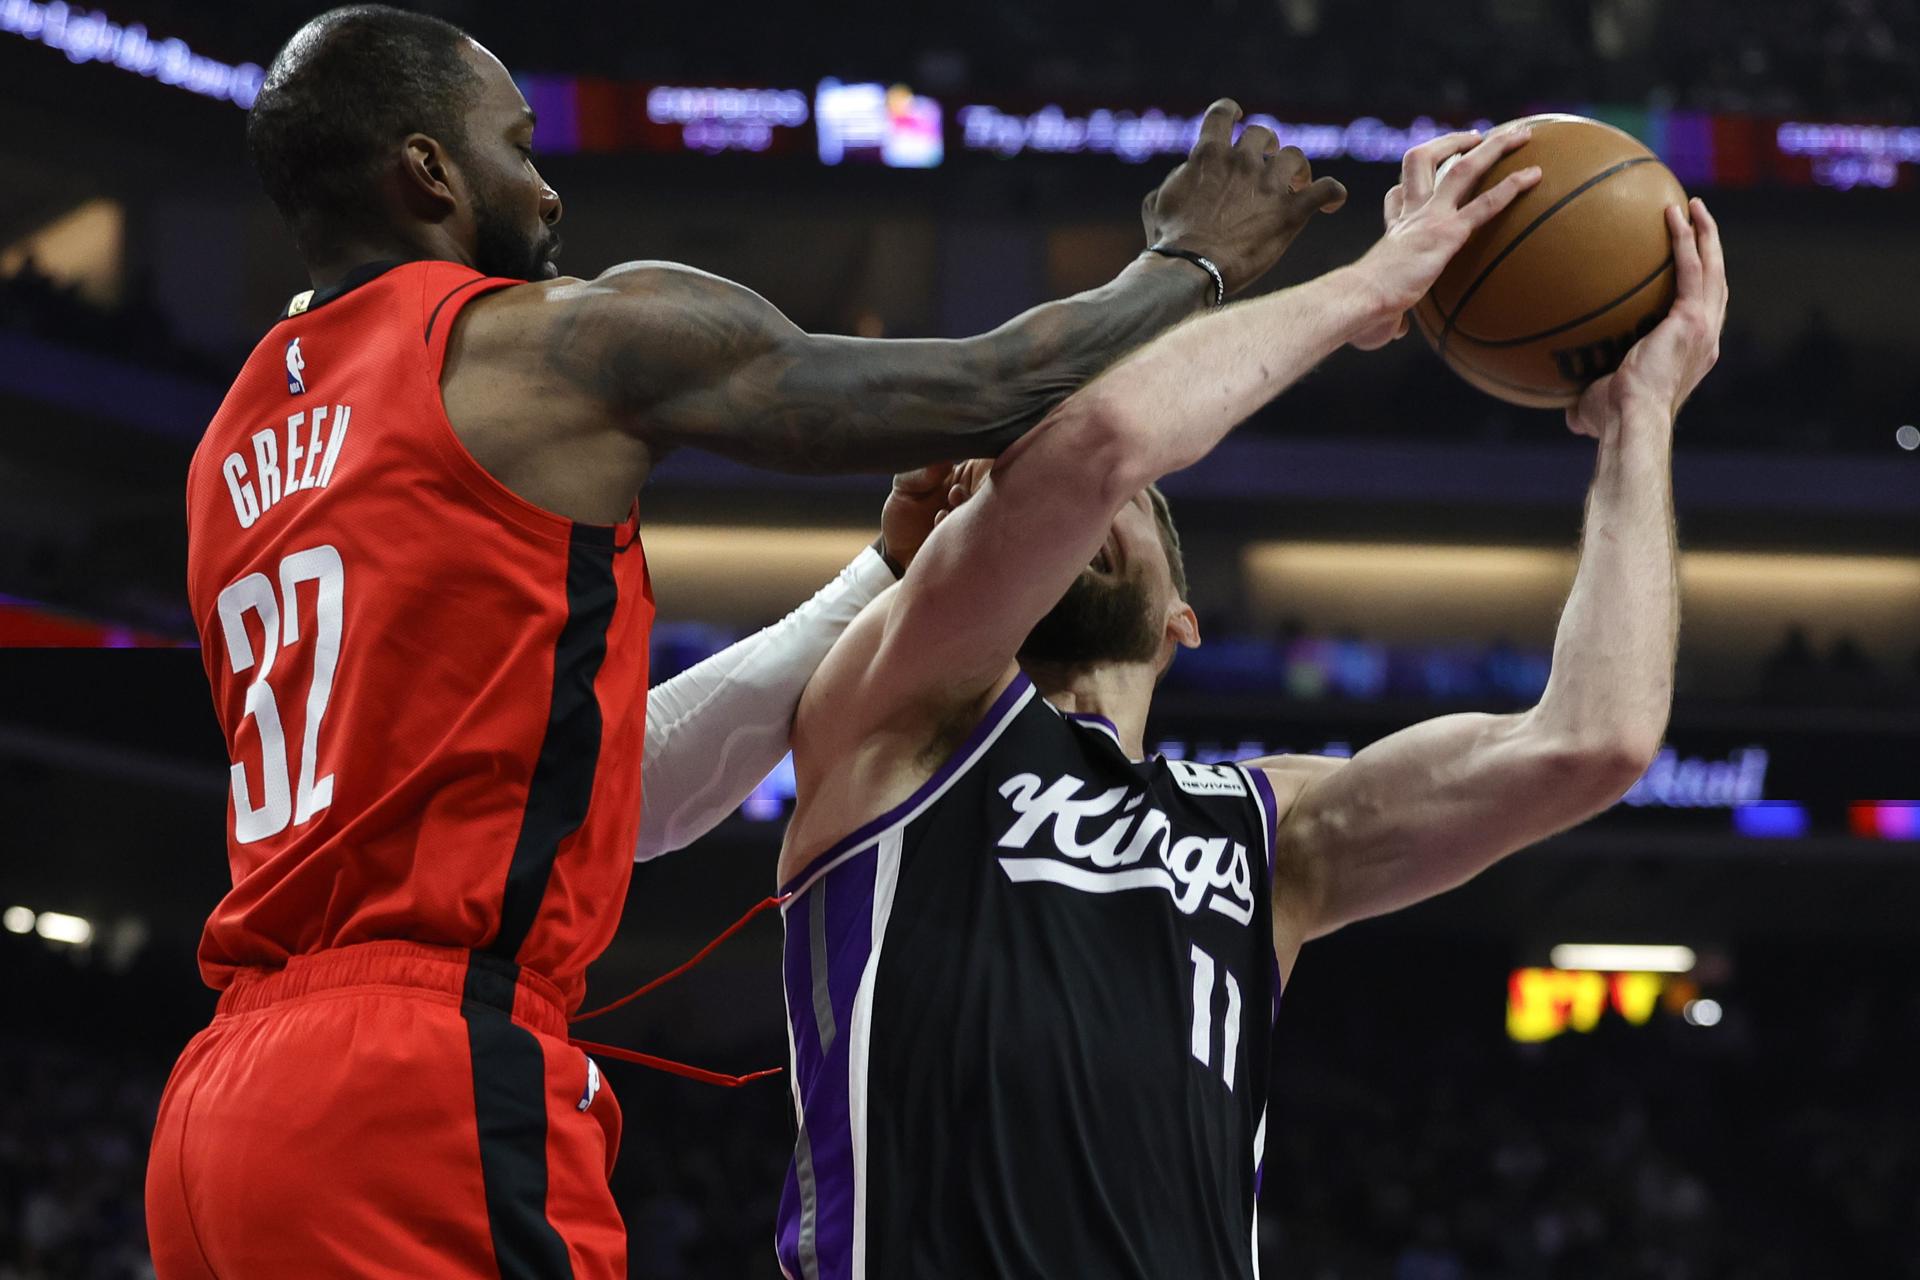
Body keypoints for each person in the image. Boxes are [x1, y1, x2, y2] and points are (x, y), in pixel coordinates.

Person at [149, 3, 1344, 1276]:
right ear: (429, 172)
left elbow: (625, 780)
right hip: (416, 1078)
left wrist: (877, 578)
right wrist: (1188, 264)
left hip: (222, 1110)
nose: (548, 189)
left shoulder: (230, 450)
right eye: (516, 144)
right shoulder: (552, 346)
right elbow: (985, 386)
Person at [774, 123, 1728, 1278]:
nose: (1079, 507)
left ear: (1185, 614)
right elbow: (1103, 443)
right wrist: (1373, 289)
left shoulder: (1271, 828)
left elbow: (1595, 741)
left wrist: (1641, 421)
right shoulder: (900, 715)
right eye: (1022, 496)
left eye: (1133, 512)